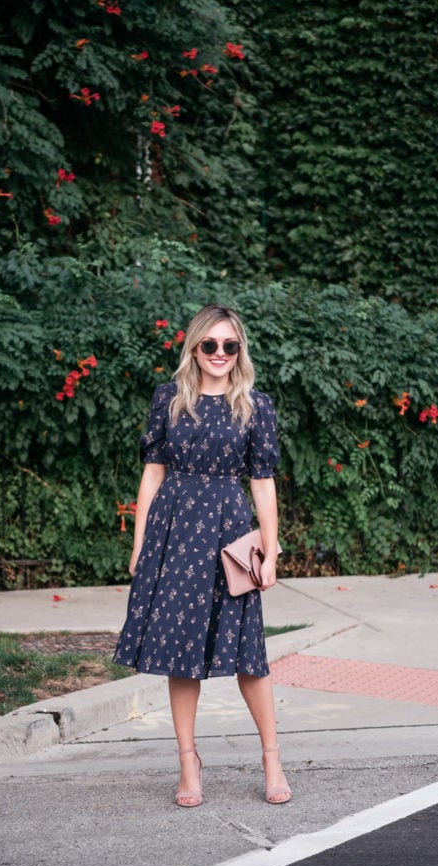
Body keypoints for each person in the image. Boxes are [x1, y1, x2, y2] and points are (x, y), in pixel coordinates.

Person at [113, 304, 291, 807]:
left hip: (228, 531)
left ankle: (272, 758)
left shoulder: (255, 405)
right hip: (174, 531)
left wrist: (271, 552)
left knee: (248, 655)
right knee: (178, 652)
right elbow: (152, 473)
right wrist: (140, 542)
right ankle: (189, 763)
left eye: (229, 345)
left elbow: (263, 482)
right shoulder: (169, 399)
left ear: (240, 351)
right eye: (209, 344)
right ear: (194, 347)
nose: (219, 353)